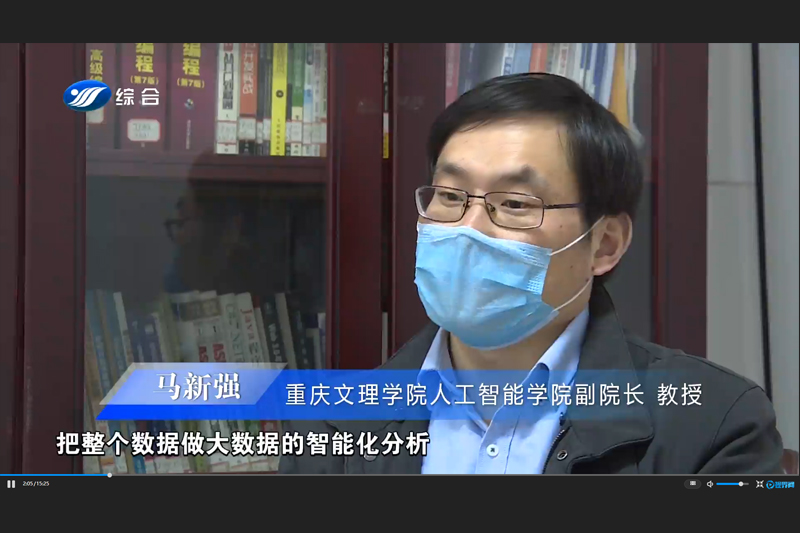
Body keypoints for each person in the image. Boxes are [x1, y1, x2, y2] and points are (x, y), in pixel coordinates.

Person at [279, 73, 785, 474]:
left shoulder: (714, 423)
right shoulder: (331, 424)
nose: (468, 229)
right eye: (450, 197)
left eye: (515, 203)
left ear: (605, 244)